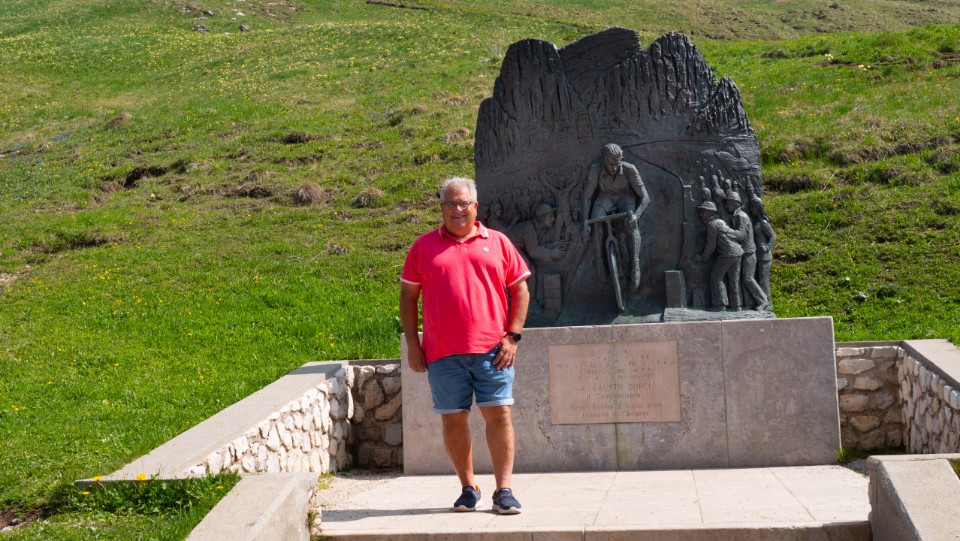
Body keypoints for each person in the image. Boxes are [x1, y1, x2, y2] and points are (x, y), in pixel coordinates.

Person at [399, 177, 531, 515]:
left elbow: (520, 290)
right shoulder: (423, 247)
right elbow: (408, 298)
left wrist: (513, 336)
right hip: (443, 352)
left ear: (475, 206)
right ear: (441, 208)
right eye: (450, 203)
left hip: (493, 350)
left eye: (463, 203)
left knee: (499, 414)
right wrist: (413, 344)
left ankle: (504, 490)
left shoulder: (498, 242)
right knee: (453, 420)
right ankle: (468, 488)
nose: (457, 209)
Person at [582, 143, 650, 290]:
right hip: (605, 197)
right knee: (596, 220)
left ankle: (635, 266)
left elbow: (645, 197)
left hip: (625, 197)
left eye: (616, 164)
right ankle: (599, 261)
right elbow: (587, 197)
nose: (613, 168)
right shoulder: (595, 170)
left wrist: (636, 216)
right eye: (610, 164)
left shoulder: (630, 170)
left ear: (621, 159)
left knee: (630, 222)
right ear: (603, 161)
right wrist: (585, 222)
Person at [695, 200, 743, 310]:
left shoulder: (711, 224)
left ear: (710, 212)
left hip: (728, 254)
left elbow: (711, 245)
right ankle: (737, 306)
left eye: (703, 212)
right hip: (737, 252)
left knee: (716, 276)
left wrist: (702, 257)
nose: (700, 215)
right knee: (734, 280)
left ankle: (720, 305)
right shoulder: (721, 221)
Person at [724, 191, 768, 310]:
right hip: (743, 251)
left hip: (749, 251)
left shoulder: (741, 216)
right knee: (744, 278)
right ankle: (749, 303)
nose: (726, 206)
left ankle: (763, 300)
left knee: (748, 277)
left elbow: (741, 235)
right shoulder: (736, 215)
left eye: (728, 203)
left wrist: (726, 231)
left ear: (735, 203)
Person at [750, 196, 776, 310]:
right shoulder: (756, 221)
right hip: (758, 255)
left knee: (764, 281)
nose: (751, 209)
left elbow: (773, 237)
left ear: (758, 208)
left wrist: (766, 247)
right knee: (760, 280)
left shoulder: (763, 223)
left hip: (765, 257)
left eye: (753, 207)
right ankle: (765, 302)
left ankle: (768, 304)